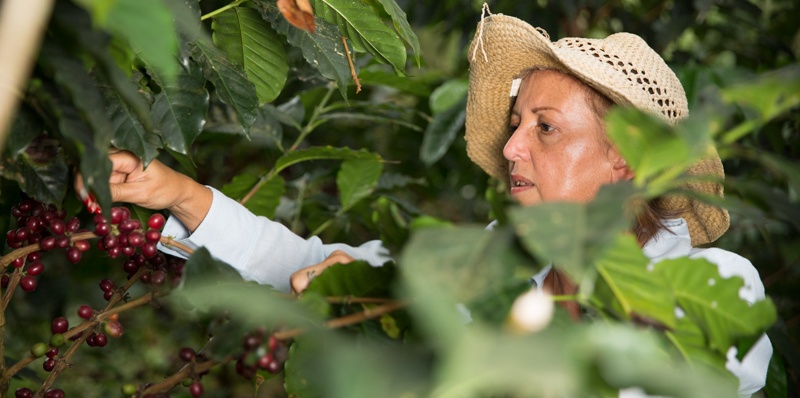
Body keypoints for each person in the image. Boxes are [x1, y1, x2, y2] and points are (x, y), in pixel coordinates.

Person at [102, 11, 770, 397]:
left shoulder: (713, 297)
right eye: (517, 124)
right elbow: (318, 267)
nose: (510, 149)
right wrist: (178, 195)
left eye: (546, 127)